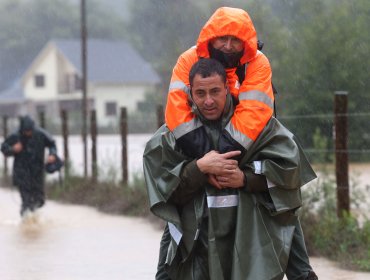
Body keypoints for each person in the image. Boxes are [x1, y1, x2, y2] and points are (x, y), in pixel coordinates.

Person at [144, 59, 318, 279]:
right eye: (201, 93)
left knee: (291, 231)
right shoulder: (172, 134)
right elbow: (165, 193)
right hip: (197, 242)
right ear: (190, 94)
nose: (208, 101)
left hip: (249, 236)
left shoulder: (259, 126)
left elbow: (290, 173)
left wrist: (244, 178)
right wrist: (199, 168)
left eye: (215, 91)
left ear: (227, 88)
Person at [165, 6, 274, 158]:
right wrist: (206, 159)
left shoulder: (257, 63)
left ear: (246, 43)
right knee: (162, 137)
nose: (228, 46)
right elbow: (178, 112)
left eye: (235, 39)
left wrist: (220, 159)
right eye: (223, 38)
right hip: (198, 148)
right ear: (211, 37)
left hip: (245, 150)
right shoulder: (188, 59)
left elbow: (254, 114)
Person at [1, 115, 57, 217]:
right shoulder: (15, 135)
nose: (28, 133)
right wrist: (13, 149)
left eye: (30, 130)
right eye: (26, 131)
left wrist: (52, 154)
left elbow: (52, 144)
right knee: (26, 201)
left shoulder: (41, 134)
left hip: (37, 173)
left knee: (40, 200)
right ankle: (26, 221)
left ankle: (31, 216)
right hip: (21, 174)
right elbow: (4, 148)